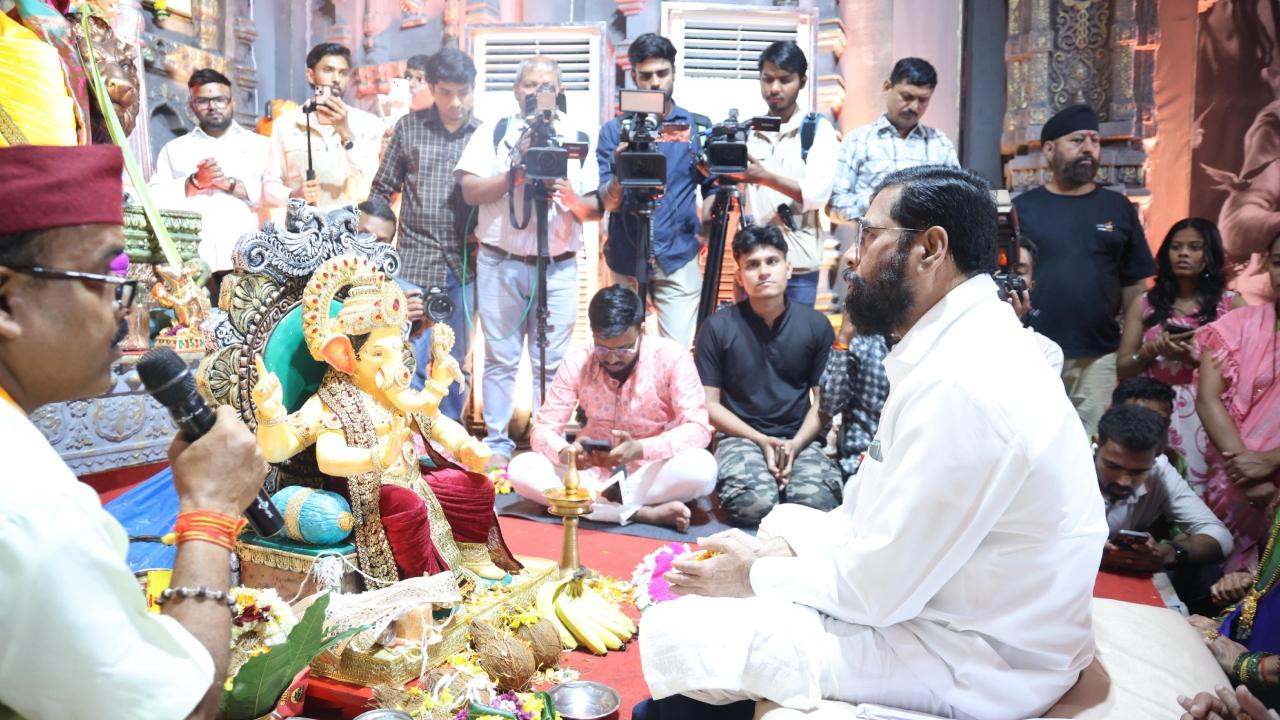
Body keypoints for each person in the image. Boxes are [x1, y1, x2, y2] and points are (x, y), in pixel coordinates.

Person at [641, 165, 1107, 720]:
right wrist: (775, 555)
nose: (853, 259)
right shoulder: (955, 345)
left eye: (867, 236)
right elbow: (871, 512)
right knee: (778, 529)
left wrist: (753, 576)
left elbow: (879, 589)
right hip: (937, 596)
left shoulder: (969, 382)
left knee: (682, 630)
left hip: (976, 654)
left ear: (931, 248)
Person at [0, 144, 269, 719]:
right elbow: (181, 710)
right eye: (104, 276)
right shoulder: (26, 504)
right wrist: (210, 510)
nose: (125, 308)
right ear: (6, 301)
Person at [454, 55, 599, 466]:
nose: (538, 93)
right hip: (501, 261)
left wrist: (569, 195)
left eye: (546, 85)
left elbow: (592, 209)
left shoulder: (577, 136)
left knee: (552, 362)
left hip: (559, 264)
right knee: (500, 357)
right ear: (517, 91)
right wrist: (514, 173)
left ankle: (547, 442)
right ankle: (498, 443)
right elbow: (469, 191)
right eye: (530, 86)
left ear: (561, 91)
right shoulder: (495, 132)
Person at [507, 285, 716, 531]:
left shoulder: (673, 358)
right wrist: (566, 453)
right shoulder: (578, 362)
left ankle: (589, 508)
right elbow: (543, 429)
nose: (613, 358)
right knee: (521, 468)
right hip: (590, 475)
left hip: (647, 473)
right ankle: (638, 513)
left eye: (624, 348)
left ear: (641, 329)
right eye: (603, 348)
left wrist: (640, 449)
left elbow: (698, 428)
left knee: (702, 468)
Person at [1014, 103, 1157, 437]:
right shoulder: (1023, 209)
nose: (1089, 149)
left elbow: (1135, 285)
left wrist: (1128, 350)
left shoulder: (1118, 208)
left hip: (1098, 357)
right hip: (1033, 350)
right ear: (1049, 150)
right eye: (1077, 140)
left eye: (1095, 141)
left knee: (1090, 447)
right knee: (1031, 441)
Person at [694, 224, 842, 526]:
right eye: (752, 265)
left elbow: (822, 402)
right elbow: (710, 406)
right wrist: (761, 440)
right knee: (752, 505)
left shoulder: (816, 326)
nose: (763, 272)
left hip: (799, 436)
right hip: (740, 437)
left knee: (817, 505)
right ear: (739, 276)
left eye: (771, 262)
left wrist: (796, 444)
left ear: (788, 268)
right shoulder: (717, 328)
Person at [371, 47, 482, 423]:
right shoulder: (409, 127)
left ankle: (448, 444)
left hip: (464, 266)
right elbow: (381, 190)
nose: (456, 102)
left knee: (453, 360)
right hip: (413, 263)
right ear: (432, 88)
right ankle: (407, 442)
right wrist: (372, 256)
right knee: (407, 356)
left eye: (463, 92)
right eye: (447, 92)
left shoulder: (483, 135)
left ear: (473, 88)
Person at [1116, 218, 1245, 497]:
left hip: (1208, 411)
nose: (1183, 253)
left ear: (1210, 254)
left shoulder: (1231, 305)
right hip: (1155, 409)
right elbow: (1124, 367)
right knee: (1153, 489)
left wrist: (1196, 362)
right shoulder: (1146, 303)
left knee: (1207, 491)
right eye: (1176, 247)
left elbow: (1245, 374)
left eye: (1194, 247)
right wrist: (1151, 351)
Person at [596, 33, 711, 346]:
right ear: (633, 76)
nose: (654, 83)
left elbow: (712, 186)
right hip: (625, 255)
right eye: (645, 76)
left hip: (678, 255)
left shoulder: (695, 127)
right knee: (621, 348)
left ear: (674, 72)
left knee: (676, 353)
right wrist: (621, 169)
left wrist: (708, 230)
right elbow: (606, 201)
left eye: (662, 73)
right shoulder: (613, 131)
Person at [725, 40, 839, 307]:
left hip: (797, 262)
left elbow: (818, 194)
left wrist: (764, 177)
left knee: (793, 344)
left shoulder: (817, 130)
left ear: (802, 80)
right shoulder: (749, 131)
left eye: (784, 80)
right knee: (748, 345)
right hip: (753, 260)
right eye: (767, 79)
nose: (774, 88)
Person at [1093, 403, 1231, 613]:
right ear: (1096, 445)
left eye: (1138, 471)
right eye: (1112, 466)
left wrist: (1168, 553)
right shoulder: (1068, 463)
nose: (1123, 481)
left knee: (1206, 573)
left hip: (1123, 578)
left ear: (1155, 459)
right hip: (1064, 567)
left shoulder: (1160, 472)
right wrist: (1083, 546)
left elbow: (1220, 536)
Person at [1196, 232, 1280, 573]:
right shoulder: (1238, 324)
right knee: (1217, 593)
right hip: (1236, 483)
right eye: (1277, 263)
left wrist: (1270, 462)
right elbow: (1207, 399)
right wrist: (1249, 474)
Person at [149, 68, 269, 278]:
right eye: (203, 101)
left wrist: (228, 184)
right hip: (192, 257)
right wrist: (195, 182)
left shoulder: (260, 146)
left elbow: (275, 196)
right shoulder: (175, 149)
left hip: (247, 254)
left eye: (220, 99)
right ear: (191, 106)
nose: (213, 106)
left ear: (232, 102)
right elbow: (155, 198)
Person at [829, 57, 959, 226]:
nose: (914, 107)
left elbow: (958, 198)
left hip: (927, 247)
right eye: (907, 96)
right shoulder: (858, 141)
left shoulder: (940, 144)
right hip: (873, 246)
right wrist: (876, 201)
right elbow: (833, 207)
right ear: (887, 87)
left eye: (923, 100)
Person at [262, 42, 384, 214]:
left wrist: (346, 134)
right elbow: (269, 184)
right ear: (311, 75)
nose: (336, 79)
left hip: (349, 227)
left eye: (343, 73)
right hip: (303, 228)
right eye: (328, 70)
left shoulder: (368, 123)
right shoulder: (286, 124)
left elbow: (371, 181)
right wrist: (292, 196)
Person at [818, 254, 889, 480]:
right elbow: (829, 405)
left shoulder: (922, 341)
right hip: (856, 464)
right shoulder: (865, 341)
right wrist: (844, 339)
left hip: (906, 468)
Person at [1009, 236, 1066, 373]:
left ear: (1031, 285)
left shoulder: (1047, 351)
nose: (1007, 280)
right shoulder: (960, 335)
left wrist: (1011, 327)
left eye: (1019, 272)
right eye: (999, 270)